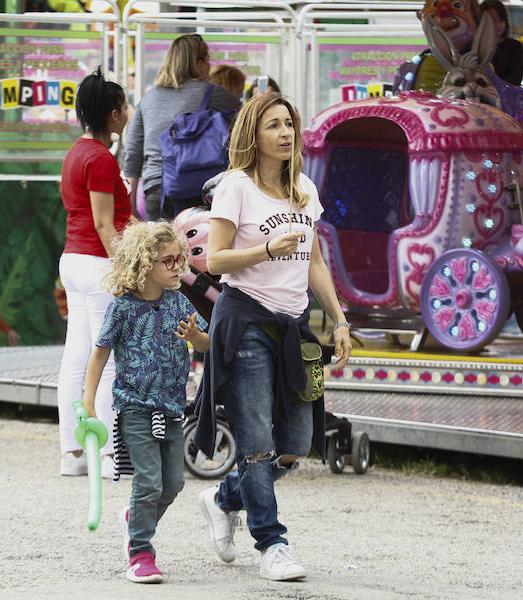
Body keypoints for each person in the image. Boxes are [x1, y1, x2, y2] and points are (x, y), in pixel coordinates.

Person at [193, 93, 353, 581]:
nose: (286, 133)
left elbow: (316, 262)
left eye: (290, 124)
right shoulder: (235, 187)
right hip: (246, 322)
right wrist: (264, 249)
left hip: (294, 328)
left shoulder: (304, 188)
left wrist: (340, 319)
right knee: (257, 439)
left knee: (297, 441)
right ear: (253, 135)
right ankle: (272, 544)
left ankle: (223, 499)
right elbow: (214, 260)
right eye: (274, 126)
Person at [82, 220, 210, 583]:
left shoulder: (178, 302)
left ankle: (134, 518)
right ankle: (140, 552)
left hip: (171, 408)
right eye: (167, 262)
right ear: (143, 264)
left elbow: (206, 344)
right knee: (149, 482)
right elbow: (99, 356)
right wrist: (89, 403)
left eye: (179, 261)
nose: (176, 269)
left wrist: (198, 337)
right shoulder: (122, 308)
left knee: (173, 485)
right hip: (136, 407)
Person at [57, 68, 134, 477]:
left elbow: (114, 217)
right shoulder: (100, 159)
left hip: (75, 261)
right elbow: (106, 224)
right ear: (112, 115)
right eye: (124, 106)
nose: (128, 111)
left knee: (78, 357)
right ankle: (107, 457)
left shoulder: (77, 153)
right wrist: (125, 269)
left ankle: (73, 453)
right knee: (106, 360)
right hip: (98, 264)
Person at [124, 34, 240, 221]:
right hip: (196, 188)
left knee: (162, 248)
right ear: (199, 63)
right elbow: (250, 122)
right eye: (208, 61)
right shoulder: (214, 94)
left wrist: (130, 205)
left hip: (155, 191)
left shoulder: (148, 99)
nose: (210, 67)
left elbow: (133, 153)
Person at [479, 0, 523, 86]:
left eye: (501, 20)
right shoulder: (471, 46)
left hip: (503, 95)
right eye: (493, 20)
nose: (498, 24)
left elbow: (516, 78)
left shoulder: (514, 46)